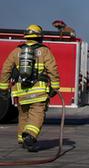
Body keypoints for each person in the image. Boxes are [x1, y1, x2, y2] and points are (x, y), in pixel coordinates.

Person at [0, 24, 60, 152]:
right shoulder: (44, 51)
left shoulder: (16, 51)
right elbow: (52, 70)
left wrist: (3, 89)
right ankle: (30, 136)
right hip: (38, 91)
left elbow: (5, 70)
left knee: (24, 115)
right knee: (37, 114)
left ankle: (22, 139)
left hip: (21, 92)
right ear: (39, 37)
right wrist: (55, 87)